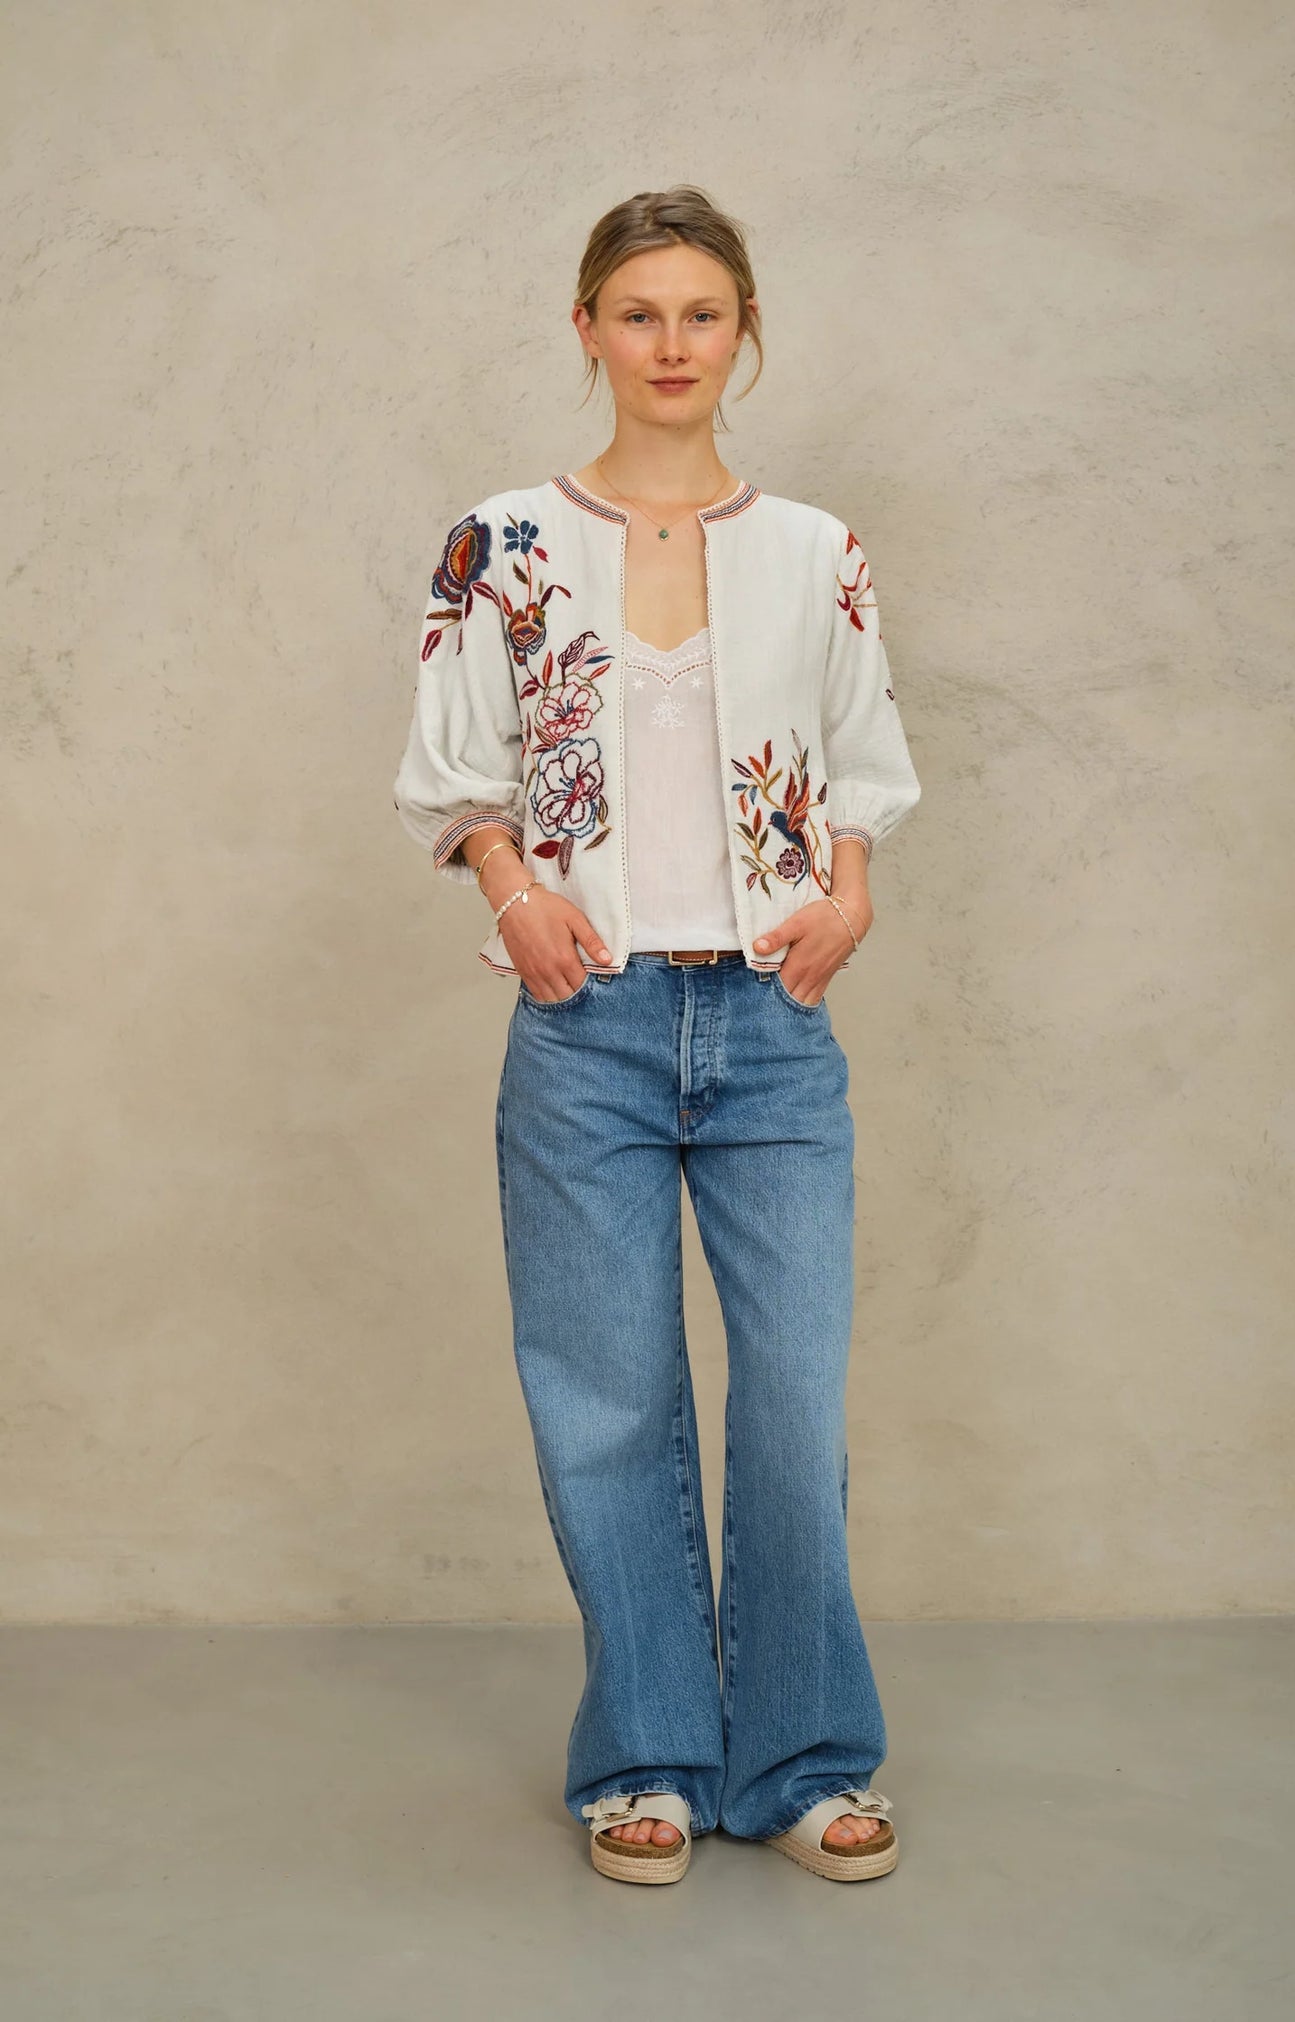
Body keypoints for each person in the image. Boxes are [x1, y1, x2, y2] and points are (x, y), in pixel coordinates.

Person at [393, 186, 921, 1884]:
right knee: (606, 1398)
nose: (670, 346)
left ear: (740, 332)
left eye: (700, 314)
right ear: (585, 330)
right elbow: (451, 763)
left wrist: (845, 894)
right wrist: (505, 878)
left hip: (770, 1022)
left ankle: (803, 1754)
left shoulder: (814, 548)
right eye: (638, 313)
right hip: (586, 1021)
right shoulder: (500, 540)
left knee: (790, 1393)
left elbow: (861, 757)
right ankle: (646, 1754)